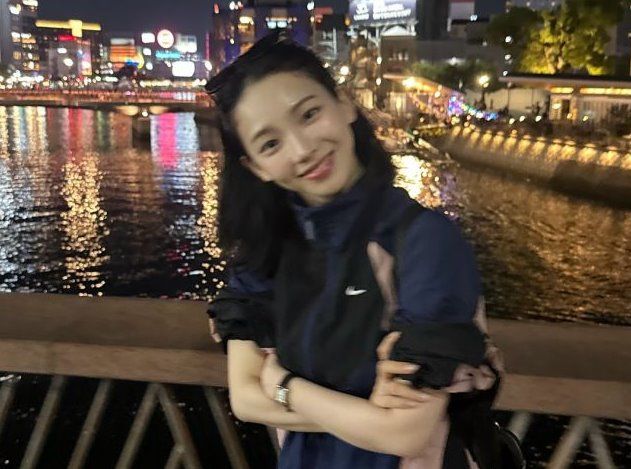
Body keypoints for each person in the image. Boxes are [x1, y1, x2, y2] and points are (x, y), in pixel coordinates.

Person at [206, 31, 500, 468]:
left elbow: (405, 433)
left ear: (344, 104)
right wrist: (366, 415)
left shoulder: (423, 240)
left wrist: (283, 384)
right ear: (256, 167)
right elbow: (246, 400)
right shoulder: (267, 250)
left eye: (309, 114)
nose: (303, 150)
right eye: (271, 144)